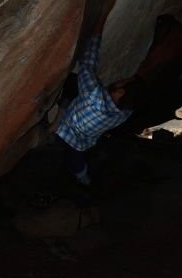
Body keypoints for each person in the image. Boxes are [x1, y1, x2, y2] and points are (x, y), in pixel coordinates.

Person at [54, 11, 147, 185]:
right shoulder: (124, 112)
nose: (120, 79)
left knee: (73, 79)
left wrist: (99, 22)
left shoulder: (92, 96)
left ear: (120, 93)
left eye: (123, 82)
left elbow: (88, 63)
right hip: (84, 141)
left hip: (65, 131)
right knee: (76, 158)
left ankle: (79, 177)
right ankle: (84, 180)